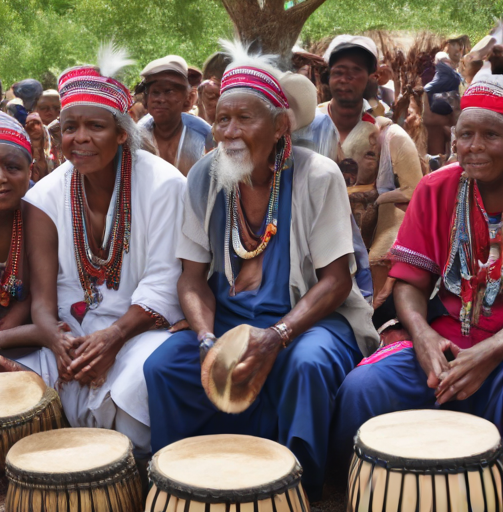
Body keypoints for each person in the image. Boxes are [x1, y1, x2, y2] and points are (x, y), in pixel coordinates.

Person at [143, 41, 379, 502]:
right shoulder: (205, 177)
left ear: (279, 126)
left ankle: (293, 491)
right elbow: (191, 279)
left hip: (311, 319)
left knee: (307, 364)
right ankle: (188, 484)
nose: (228, 132)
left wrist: (279, 335)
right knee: (165, 366)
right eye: (222, 119)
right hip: (226, 323)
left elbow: (337, 281)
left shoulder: (318, 175)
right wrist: (209, 341)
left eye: (244, 119)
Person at [14, 46, 186, 458]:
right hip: (71, 333)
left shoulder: (164, 184)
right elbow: (43, 298)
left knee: (138, 380)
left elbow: (165, 277)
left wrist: (113, 337)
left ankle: (134, 474)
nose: (81, 138)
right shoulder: (44, 197)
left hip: (142, 329)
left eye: (96, 126)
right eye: (70, 127)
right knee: (17, 382)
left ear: (122, 132)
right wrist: (58, 342)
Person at [332, 65, 503, 471]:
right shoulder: (436, 188)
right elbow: (408, 282)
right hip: (442, 337)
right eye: (465, 134)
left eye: (491, 135)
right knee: (363, 389)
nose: (474, 146)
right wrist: (423, 336)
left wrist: (489, 351)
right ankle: (358, 488)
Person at [316, 35, 423, 305]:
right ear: (328, 76)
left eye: (356, 71)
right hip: (314, 245)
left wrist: (379, 201)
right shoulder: (308, 126)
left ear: (371, 76)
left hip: (372, 247)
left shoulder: (389, 134)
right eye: (339, 71)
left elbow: (417, 195)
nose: (346, 78)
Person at [0, 111, 32, 350]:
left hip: (27, 340)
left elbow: (44, 292)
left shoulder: (40, 215)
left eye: (12, 167)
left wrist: (17, 317)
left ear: (31, 171)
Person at [138, 55, 212, 176]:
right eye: (155, 93)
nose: (161, 99)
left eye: (169, 92)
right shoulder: (137, 136)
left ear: (187, 98)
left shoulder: (203, 134)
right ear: (146, 100)